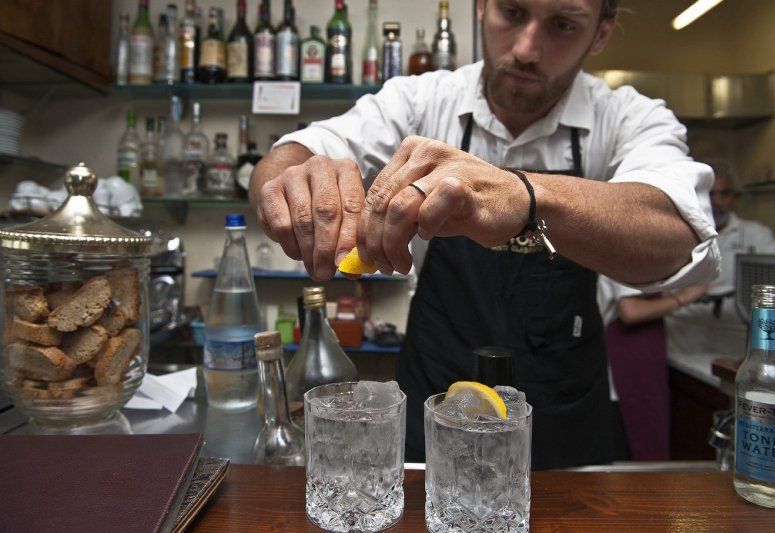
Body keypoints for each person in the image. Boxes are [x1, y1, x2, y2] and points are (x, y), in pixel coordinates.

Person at [250, 0, 719, 469]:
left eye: (562, 25)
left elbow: (679, 235)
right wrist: (296, 178)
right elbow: (286, 160)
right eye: (512, 12)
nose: (526, 49)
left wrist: (528, 196)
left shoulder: (626, 118)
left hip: (562, 414)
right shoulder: (421, 101)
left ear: (600, 33)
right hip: (434, 403)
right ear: (480, 8)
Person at [666, 164, 775, 358]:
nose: (717, 201)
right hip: (683, 332)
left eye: (724, 194)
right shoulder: (675, 234)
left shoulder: (757, 235)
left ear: (734, 196)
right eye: (711, 194)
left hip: (733, 333)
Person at [597, 276, 707, 461]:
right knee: (639, 443)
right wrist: (683, 297)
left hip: (639, 354)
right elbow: (631, 311)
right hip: (628, 356)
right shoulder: (630, 249)